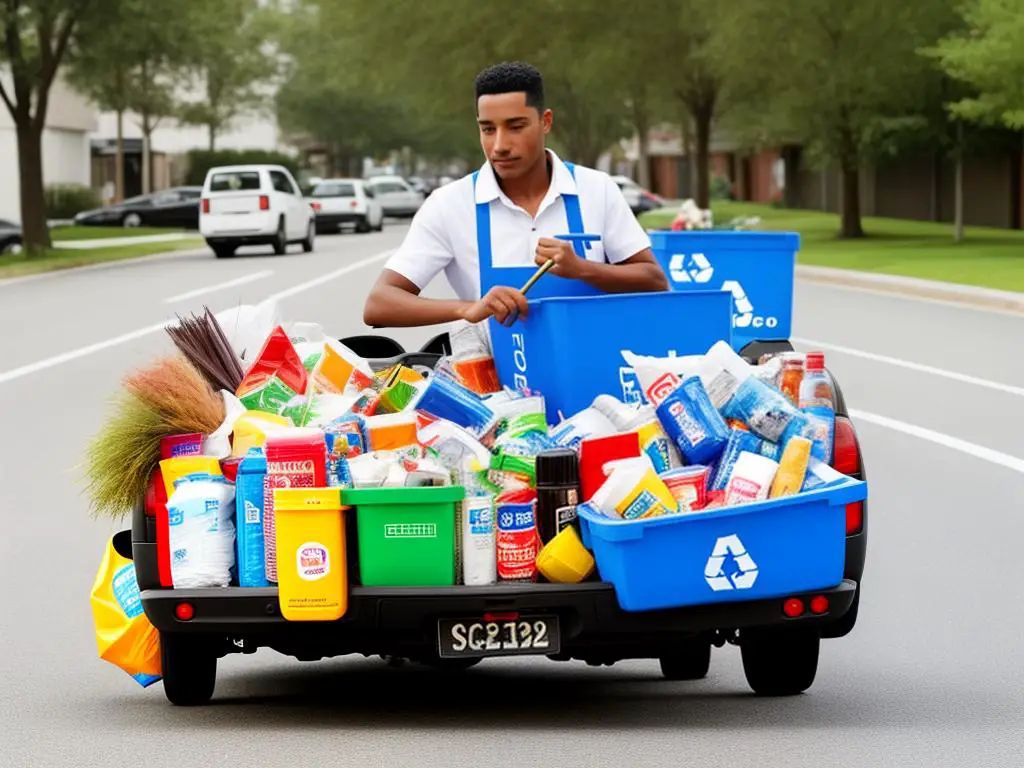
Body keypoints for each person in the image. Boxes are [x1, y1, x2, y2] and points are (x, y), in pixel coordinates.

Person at [363, 60, 669, 330]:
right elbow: (380, 304)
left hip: (590, 374)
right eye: (488, 129)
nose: (499, 145)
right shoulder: (448, 205)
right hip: (492, 385)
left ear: (545, 121)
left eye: (515, 126)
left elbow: (654, 281)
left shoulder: (596, 189)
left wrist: (583, 269)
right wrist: (467, 308)